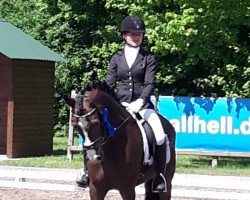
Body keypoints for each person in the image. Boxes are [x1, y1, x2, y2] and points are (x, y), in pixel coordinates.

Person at [77, 15, 169, 193]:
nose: (137, 37)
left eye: (140, 34)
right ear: (124, 35)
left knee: (159, 134)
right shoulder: (116, 58)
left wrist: (141, 101)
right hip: (119, 105)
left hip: (143, 106)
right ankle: (86, 171)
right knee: (92, 129)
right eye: (133, 34)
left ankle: (158, 175)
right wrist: (101, 93)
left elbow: (150, 83)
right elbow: (110, 83)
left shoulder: (148, 58)